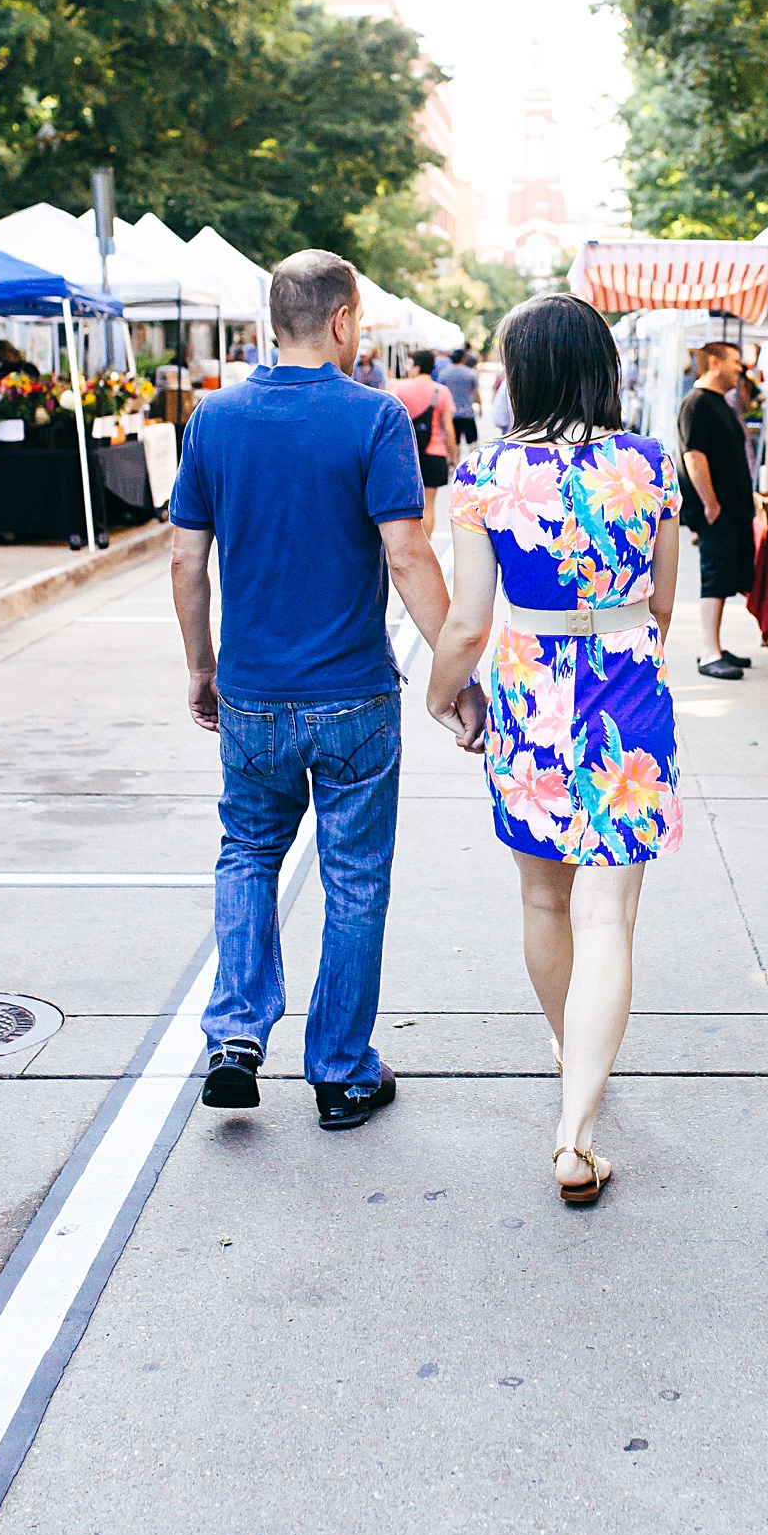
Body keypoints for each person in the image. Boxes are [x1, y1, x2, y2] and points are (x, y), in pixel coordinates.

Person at [169, 249, 485, 1125]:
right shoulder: (373, 418)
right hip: (351, 697)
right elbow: (408, 550)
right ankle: (342, 1072)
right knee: (352, 878)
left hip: (254, 696)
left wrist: (203, 666)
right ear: (344, 319)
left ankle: (235, 1030)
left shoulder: (215, 420)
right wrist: (456, 673)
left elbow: (186, 560)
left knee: (247, 853)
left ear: (278, 322)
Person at [427, 293, 682, 1204]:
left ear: (519, 373)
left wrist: (441, 693)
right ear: (602, 367)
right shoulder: (651, 462)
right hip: (626, 700)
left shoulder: (486, 474)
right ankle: (575, 1131)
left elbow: (464, 621)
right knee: (608, 916)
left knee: (543, 898)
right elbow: (661, 604)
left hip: (532, 704)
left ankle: (572, 1059)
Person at [678, 341, 755, 680]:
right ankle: (709, 651)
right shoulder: (697, 403)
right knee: (714, 575)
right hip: (716, 510)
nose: (741, 369)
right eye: (736, 361)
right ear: (714, 362)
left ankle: (716, 646)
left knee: (724, 576)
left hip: (729, 508)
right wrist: (710, 502)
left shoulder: (718, 403)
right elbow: (693, 456)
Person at [391, 350, 458, 538]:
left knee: (406, 504)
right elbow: (448, 429)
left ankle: (408, 544)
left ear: (417, 367)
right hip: (434, 453)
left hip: (405, 454)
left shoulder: (399, 389)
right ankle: (426, 545)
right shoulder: (441, 391)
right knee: (428, 504)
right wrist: (452, 455)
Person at [437, 346, 480, 446]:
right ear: (463, 358)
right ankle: (471, 461)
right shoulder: (471, 373)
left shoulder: (443, 373)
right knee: (472, 442)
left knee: (455, 442)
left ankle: (456, 461)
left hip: (451, 414)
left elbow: (439, 393)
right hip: (468, 413)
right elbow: (476, 392)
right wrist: (480, 406)